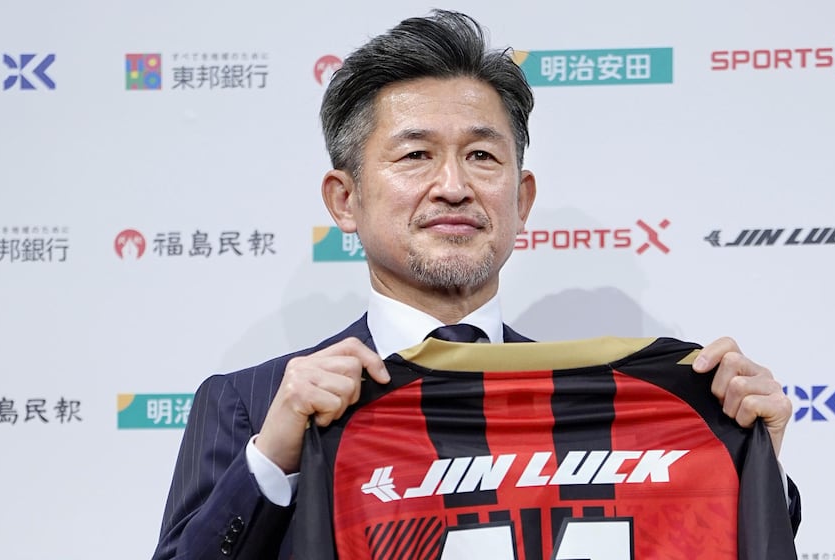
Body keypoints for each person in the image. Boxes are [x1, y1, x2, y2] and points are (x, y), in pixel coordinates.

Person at [152, 10, 800, 560]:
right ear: (344, 200)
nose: (455, 186)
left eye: (483, 156)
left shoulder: (614, 404)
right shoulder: (252, 404)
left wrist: (744, 457)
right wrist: (274, 458)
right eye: (416, 155)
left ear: (522, 197)